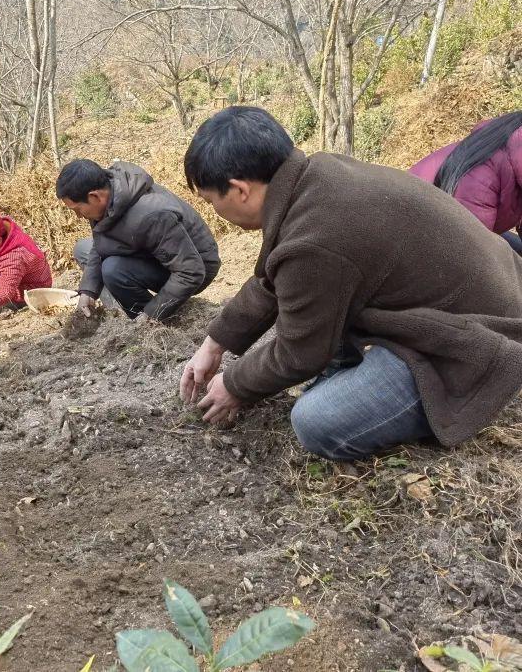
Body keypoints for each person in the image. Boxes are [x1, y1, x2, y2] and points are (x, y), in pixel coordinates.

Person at [179, 106, 522, 461]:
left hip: (478, 341)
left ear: (239, 190)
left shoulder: (314, 239)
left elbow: (299, 353)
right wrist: (215, 344)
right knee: (329, 316)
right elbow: (273, 277)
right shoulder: (318, 176)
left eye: (210, 201)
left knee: (316, 421)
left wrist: (234, 385)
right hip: (489, 293)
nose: (213, 210)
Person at [56, 158, 220, 321]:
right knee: (82, 248)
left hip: (197, 265)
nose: (78, 216)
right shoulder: (107, 198)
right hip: (159, 255)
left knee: (113, 270)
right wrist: (88, 291)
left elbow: (191, 272)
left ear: (95, 196)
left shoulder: (150, 214)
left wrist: (151, 313)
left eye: (77, 209)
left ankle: (150, 321)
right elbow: (102, 245)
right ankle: (134, 312)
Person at [409, 111, 522, 254]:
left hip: (470, 225)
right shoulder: (481, 178)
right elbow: (468, 255)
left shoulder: (515, 155)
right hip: (421, 232)